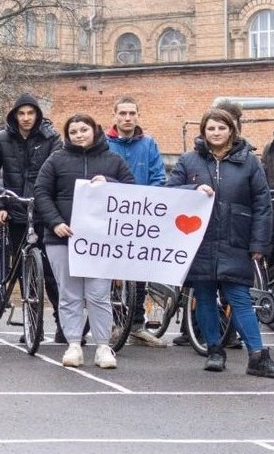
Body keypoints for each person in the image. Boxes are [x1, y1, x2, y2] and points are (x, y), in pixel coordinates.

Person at [167, 109, 274, 377]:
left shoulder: (249, 162)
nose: (216, 133)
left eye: (221, 128)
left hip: (235, 239)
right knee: (204, 296)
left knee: (239, 297)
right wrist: (192, 190)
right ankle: (214, 349)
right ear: (203, 132)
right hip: (199, 241)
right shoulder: (189, 161)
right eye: (211, 128)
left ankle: (257, 355)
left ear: (231, 130)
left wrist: (259, 244)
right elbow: (168, 194)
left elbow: (262, 205)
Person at [34, 113, 134, 369]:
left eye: (84, 130)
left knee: (99, 294)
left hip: (100, 242)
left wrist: (109, 182)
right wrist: (55, 222)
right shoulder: (56, 160)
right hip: (61, 239)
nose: (79, 135)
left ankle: (103, 347)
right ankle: (74, 345)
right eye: (74, 131)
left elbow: (132, 191)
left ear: (95, 130)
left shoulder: (113, 160)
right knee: (69, 294)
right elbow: (42, 192)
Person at [0, 94, 64, 343]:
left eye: (31, 113)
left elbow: (58, 175)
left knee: (50, 273)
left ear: (38, 115)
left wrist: (52, 210)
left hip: (43, 215)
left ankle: (64, 324)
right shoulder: (1, 139)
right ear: (15, 115)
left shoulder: (52, 139)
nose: (26, 118)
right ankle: (32, 325)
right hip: (15, 214)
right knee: (23, 272)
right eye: (21, 113)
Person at [105, 96, 169, 348]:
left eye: (132, 113)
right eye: (122, 113)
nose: (127, 118)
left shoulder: (148, 143)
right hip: (111, 216)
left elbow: (158, 176)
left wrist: (146, 202)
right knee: (109, 272)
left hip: (140, 216)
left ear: (138, 115)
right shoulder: (104, 143)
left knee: (139, 272)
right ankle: (112, 323)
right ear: (115, 115)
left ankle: (136, 325)